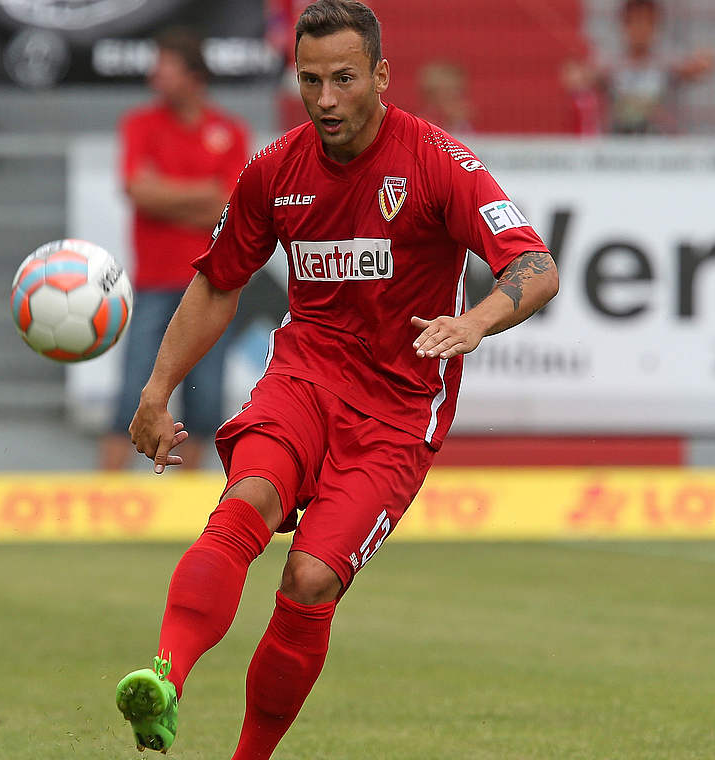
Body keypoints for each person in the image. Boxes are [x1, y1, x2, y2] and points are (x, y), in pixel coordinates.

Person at [110, 1, 559, 756]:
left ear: (380, 76)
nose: (325, 100)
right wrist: (155, 392)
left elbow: (537, 266)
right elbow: (220, 282)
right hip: (303, 382)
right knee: (246, 500)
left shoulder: (438, 163)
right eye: (310, 80)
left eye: (344, 79)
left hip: (395, 412)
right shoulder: (275, 169)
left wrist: (473, 322)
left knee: (310, 581)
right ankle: (165, 679)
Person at [98, 27, 251, 471]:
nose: (154, 77)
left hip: (209, 287)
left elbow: (231, 206)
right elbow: (137, 191)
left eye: (163, 68)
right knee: (130, 399)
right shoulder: (140, 124)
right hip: (153, 284)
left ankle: (185, 513)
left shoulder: (229, 131)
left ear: (192, 75)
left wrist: (167, 198)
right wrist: (202, 197)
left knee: (202, 408)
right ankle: (104, 509)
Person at [563, 0, 712, 135]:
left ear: (656, 26)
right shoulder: (611, 66)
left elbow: (695, 71)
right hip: (619, 145)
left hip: (659, 145)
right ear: (624, 26)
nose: (641, 30)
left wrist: (700, 64)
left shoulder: (666, 64)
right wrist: (580, 75)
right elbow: (577, 80)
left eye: (647, 23)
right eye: (635, 22)